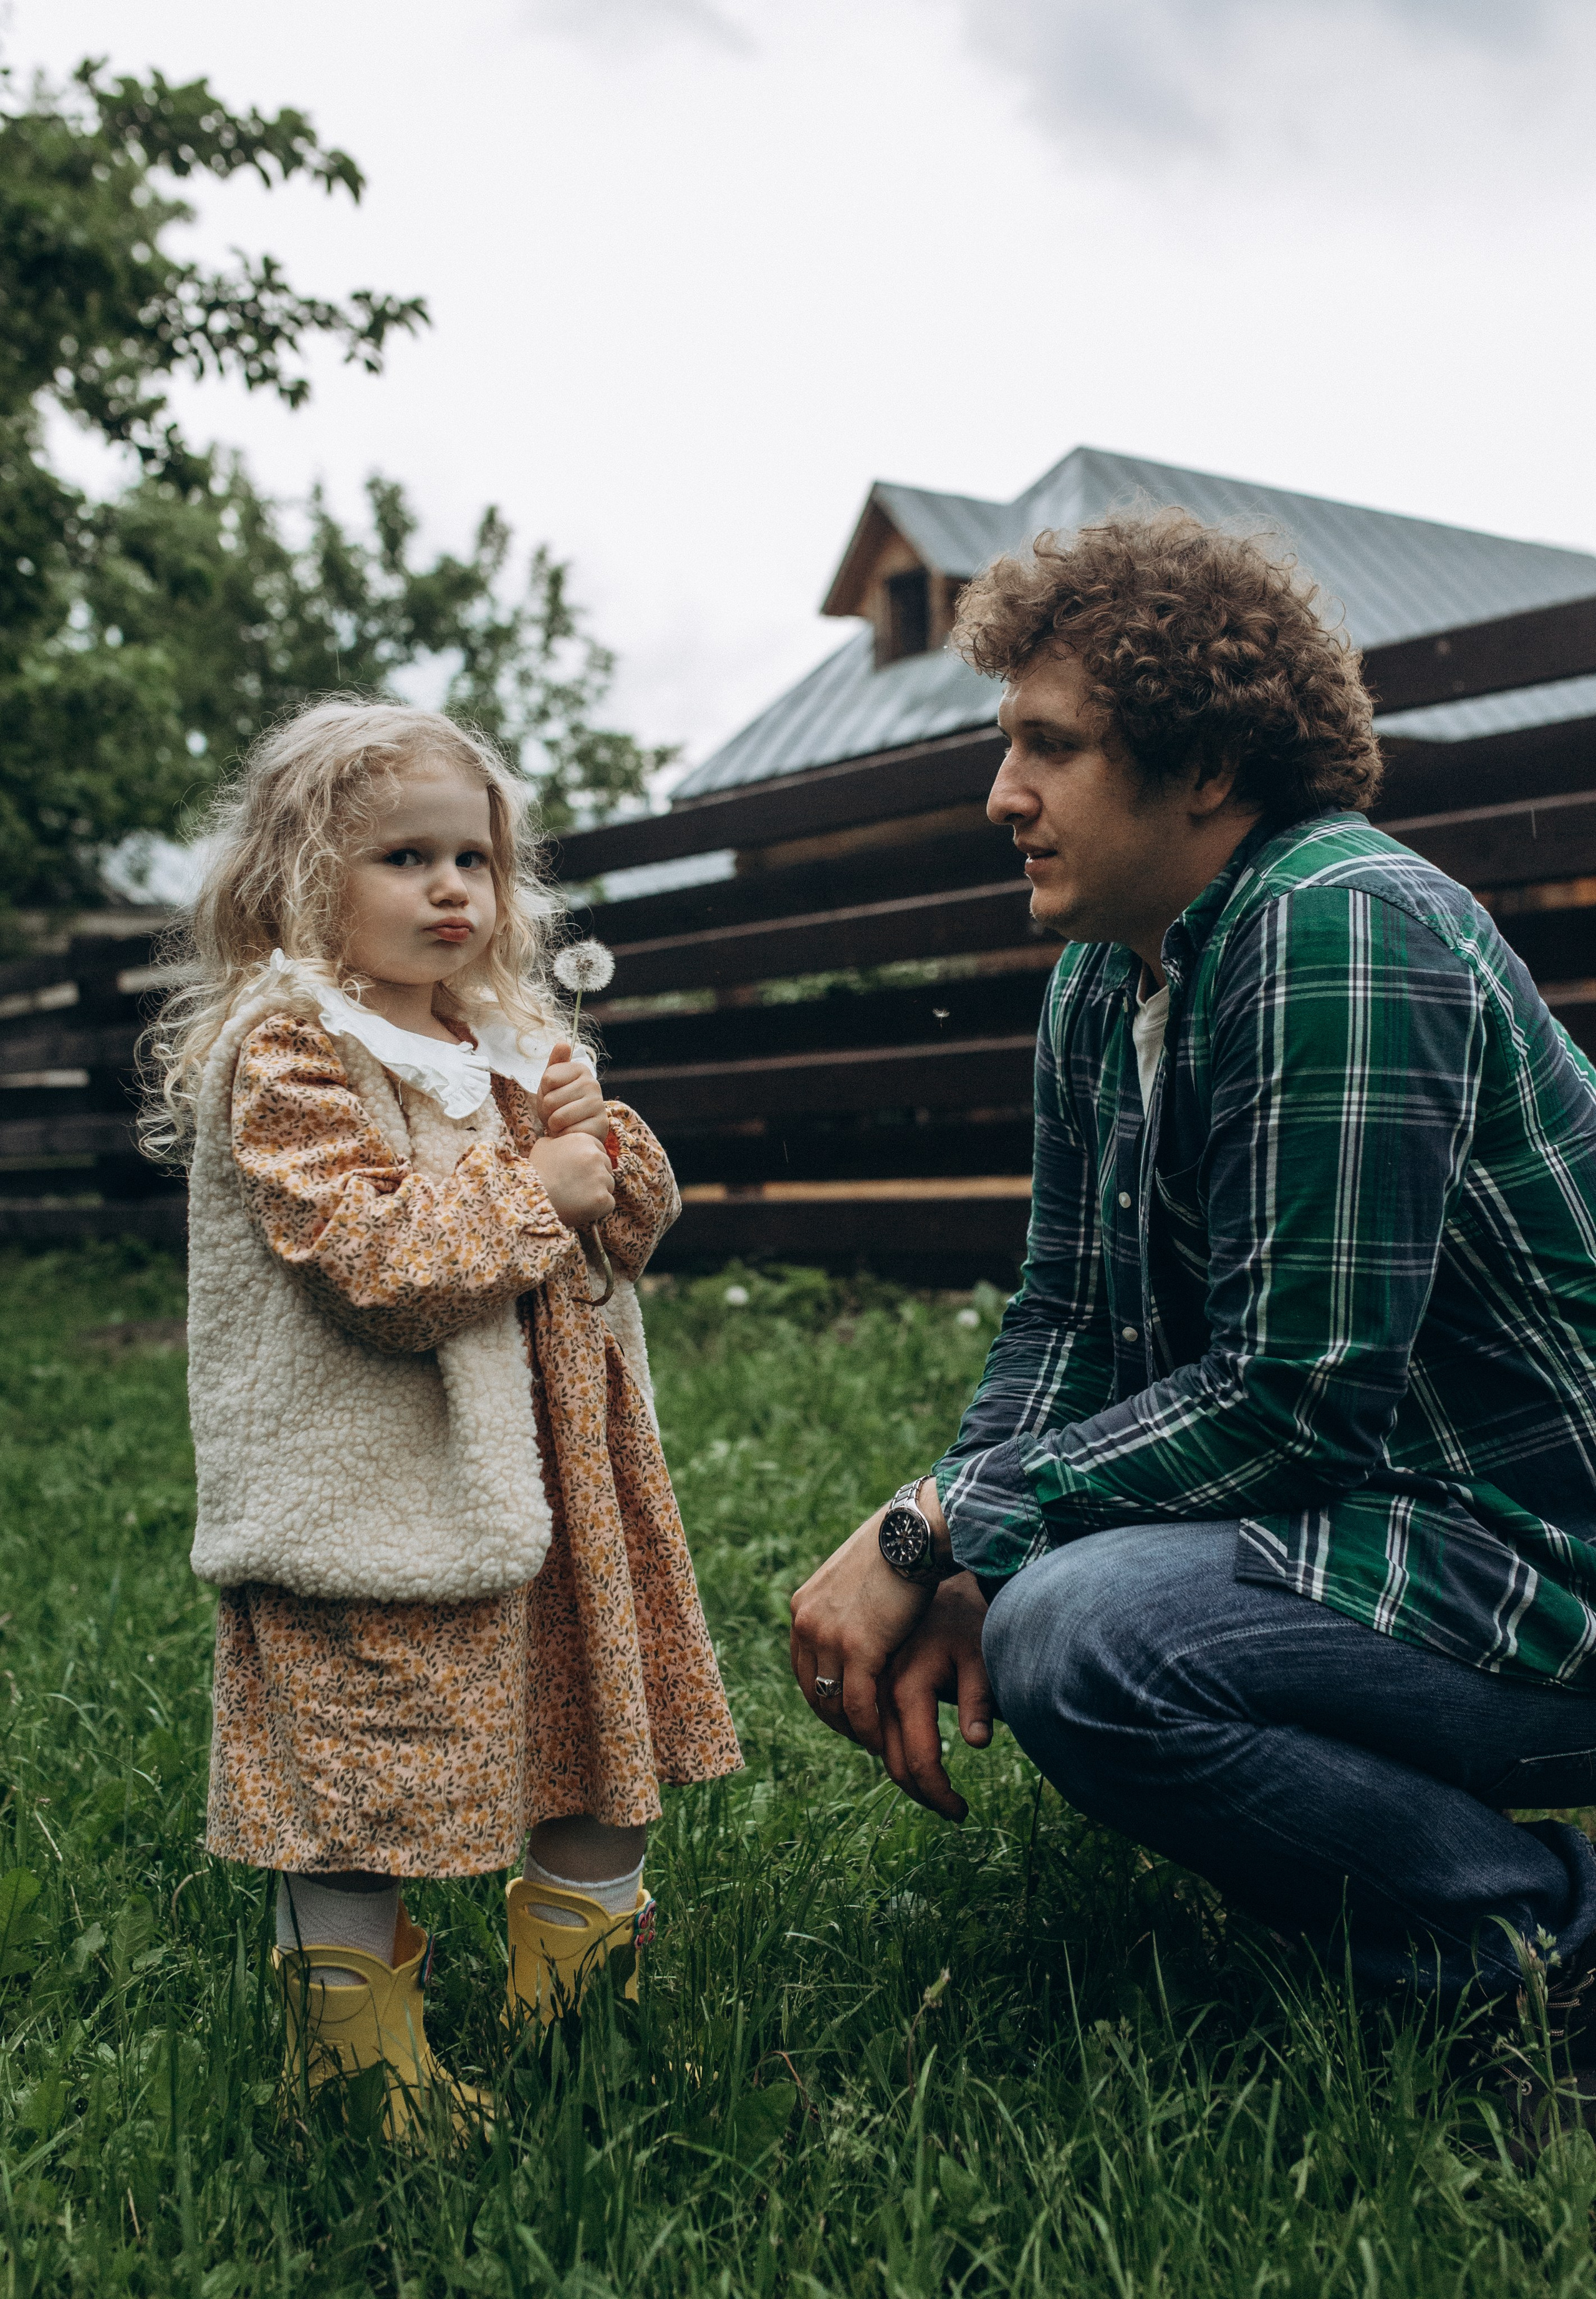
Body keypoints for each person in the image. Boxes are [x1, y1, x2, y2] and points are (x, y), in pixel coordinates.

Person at [791, 511, 1596, 2031]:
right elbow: (1065, 1316)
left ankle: (1538, 1960)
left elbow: (1295, 1402)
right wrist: (966, 1545)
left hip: (1546, 1556)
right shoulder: (1108, 975)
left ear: (1208, 766)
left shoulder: (1339, 924)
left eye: (1049, 746)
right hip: (1412, 1529)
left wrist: (935, 1522)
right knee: (1046, 1605)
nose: (999, 794)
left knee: (1088, 1638)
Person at [148, 698, 741, 2134]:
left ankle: (577, 1996)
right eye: (402, 857)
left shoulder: (505, 1038)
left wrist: (599, 1138)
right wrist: (536, 1183)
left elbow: (624, 1226)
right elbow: (372, 1268)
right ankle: (348, 2054)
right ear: (298, 878)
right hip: (377, 1497)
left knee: (600, 1737)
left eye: (471, 859)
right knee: (361, 1775)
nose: (451, 889)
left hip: (565, 1482)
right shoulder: (294, 1055)